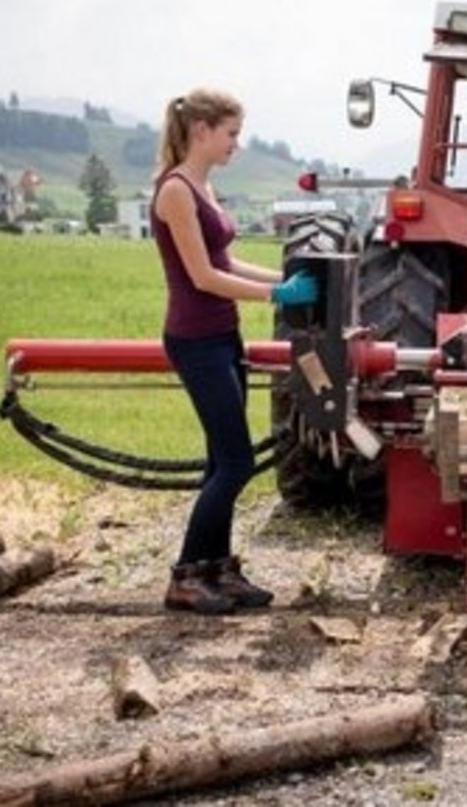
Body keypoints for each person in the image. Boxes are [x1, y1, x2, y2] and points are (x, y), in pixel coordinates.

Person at [151, 89, 317, 614]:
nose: (236, 145)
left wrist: (288, 276)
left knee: (220, 462)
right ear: (201, 129)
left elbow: (227, 260)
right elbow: (203, 276)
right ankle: (185, 577)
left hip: (222, 337)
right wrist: (278, 294)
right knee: (237, 463)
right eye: (231, 134)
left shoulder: (203, 186)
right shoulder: (176, 191)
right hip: (194, 340)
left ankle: (218, 571)